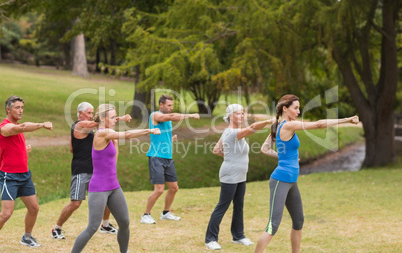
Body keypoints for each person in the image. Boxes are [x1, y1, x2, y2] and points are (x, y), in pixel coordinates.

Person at [254, 94, 359, 253]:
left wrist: (285, 157)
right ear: (285, 108)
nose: (298, 111)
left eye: (299, 108)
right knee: (273, 226)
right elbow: (318, 125)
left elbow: (264, 149)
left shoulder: (278, 125)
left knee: (298, 221)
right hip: (280, 180)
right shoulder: (288, 126)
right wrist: (346, 120)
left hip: (291, 180)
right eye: (295, 108)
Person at [72, 104, 160, 253]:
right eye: (112, 117)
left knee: (124, 222)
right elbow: (127, 135)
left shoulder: (111, 135)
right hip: (99, 187)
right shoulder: (101, 134)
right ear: (102, 118)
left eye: (115, 117)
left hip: (113, 186)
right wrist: (149, 130)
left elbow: (113, 161)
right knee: (93, 227)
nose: (115, 120)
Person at [52, 102, 131, 239]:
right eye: (89, 113)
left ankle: (105, 225)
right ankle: (57, 228)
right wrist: (120, 118)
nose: (91, 116)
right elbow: (98, 123)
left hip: (96, 171)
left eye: (92, 112)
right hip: (81, 169)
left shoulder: (93, 130)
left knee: (108, 195)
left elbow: (71, 147)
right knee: (76, 202)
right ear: (80, 114)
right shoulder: (79, 125)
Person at [205, 104, 274, 250]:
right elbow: (252, 128)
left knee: (239, 206)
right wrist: (269, 121)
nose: (241, 116)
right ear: (230, 115)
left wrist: (230, 156)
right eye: (238, 114)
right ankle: (210, 239)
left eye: (243, 114)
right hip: (229, 174)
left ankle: (238, 236)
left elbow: (216, 149)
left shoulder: (230, 132)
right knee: (222, 206)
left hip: (241, 175)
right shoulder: (231, 133)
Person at [0, 95, 53, 247]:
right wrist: (42, 124)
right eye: (17, 107)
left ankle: (27, 237)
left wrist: (24, 150)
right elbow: (21, 127)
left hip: (24, 175)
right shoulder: (5, 127)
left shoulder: (15, 126)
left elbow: (9, 148)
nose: (21, 110)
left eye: (22, 107)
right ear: (8, 109)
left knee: (34, 208)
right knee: (6, 214)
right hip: (9, 177)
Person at [140, 94, 200, 224]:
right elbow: (172, 116)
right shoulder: (155, 115)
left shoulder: (166, 120)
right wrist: (190, 115)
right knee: (159, 189)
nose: (171, 108)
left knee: (174, 187)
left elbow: (161, 135)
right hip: (156, 157)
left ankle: (166, 212)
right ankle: (146, 215)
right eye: (169, 105)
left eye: (172, 105)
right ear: (161, 105)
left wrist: (170, 140)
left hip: (168, 157)